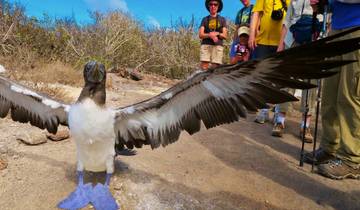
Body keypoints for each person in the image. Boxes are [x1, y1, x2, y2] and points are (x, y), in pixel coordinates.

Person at [306, 0, 360, 180]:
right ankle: (330, 147)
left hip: (357, 27)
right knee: (329, 93)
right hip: (336, 27)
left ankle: (351, 158)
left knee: (349, 94)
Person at [271, 0, 319, 142]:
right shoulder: (294, 1)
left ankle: (306, 125)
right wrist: (281, 45)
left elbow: (328, 23)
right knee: (287, 80)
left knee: (311, 83)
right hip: (292, 42)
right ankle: (279, 120)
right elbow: (287, 23)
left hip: (315, 43)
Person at [249, 0, 290, 123]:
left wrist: (283, 43)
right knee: (263, 78)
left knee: (280, 78)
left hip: (282, 42)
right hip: (263, 41)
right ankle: (264, 109)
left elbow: (292, 17)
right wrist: (252, 34)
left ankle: (278, 110)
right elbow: (256, 13)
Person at [199, 0, 228, 70]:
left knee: (215, 68)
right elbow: (201, 34)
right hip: (206, 44)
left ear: (218, 6)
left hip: (218, 45)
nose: (213, 6)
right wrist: (210, 35)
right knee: (204, 67)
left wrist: (217, 33)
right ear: (208, 6)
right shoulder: (204, 19)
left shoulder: (222, 19)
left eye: (215, 4)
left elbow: (225, 35)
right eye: (211, 4)